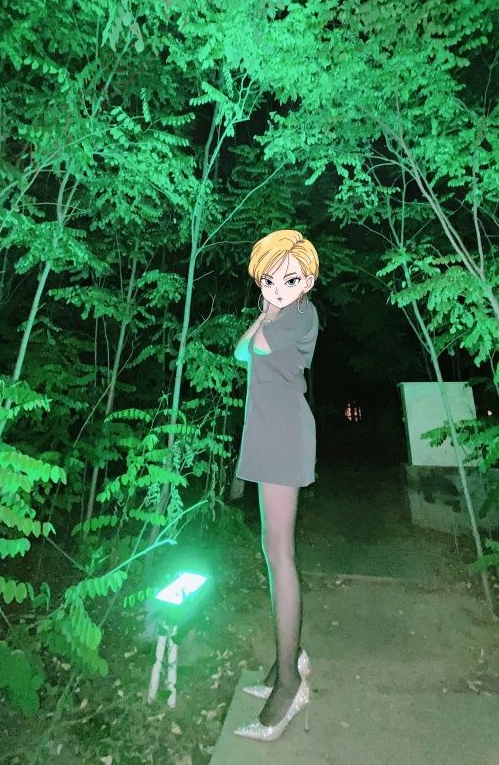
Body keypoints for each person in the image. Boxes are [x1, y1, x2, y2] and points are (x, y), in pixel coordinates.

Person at [232, 229, 320, 742]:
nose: (277, 288)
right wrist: (266, 311)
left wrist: (267, 312)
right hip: (268, 432)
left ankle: (289, 683)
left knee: (279, 552)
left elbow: (256, 345)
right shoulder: (281, 312)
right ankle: (291, 658)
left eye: (289, 279)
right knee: (273, 548)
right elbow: (240, 352)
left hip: (284, 432)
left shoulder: (301, 313)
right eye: (268, 279)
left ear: (307, 280)